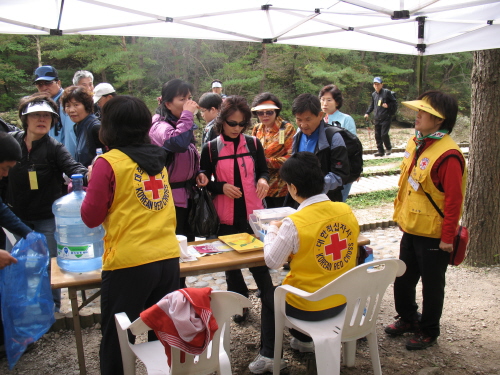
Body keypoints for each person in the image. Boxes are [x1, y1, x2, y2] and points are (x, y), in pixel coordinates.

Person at [81, 95, 181, 375]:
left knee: (117, 338)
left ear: (109, 127)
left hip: (129, 263)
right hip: (168, 259)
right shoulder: (158, 160)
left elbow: (90, 218)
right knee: (161, 334)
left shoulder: (108, 163)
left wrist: (91, 182)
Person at [248, 152, 359, 374]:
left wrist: (271, 230)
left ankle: (270, 356)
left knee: (271, 295)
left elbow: (272, 261)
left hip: (310, 306)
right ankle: (303, 341)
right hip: (341, 300)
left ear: (294, 188)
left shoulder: (293, 224)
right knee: (283, 294)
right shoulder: (345, 210)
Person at [386, 90, 466, 350]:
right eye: (418, 110)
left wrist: (447, 238)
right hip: (411, 227)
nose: (417, 115)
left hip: (433, 234)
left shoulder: (449, 155)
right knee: (403, 278)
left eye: (424, 112)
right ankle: (408, 318)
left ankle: (429, 330)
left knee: (432, 286)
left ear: (439, 120)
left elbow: (454, 200)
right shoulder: (417, 141)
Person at [5, 93, 88, 311]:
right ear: (25, 118)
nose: (42, 120)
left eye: (47, 116)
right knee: (19, 264)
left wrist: (90, 173)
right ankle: (24, 307)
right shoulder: (11, 142)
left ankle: (51, 307)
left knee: (49, 263)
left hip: (47, 218)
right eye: (36, 116)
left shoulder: (54, 147)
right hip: (15, 216)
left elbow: (74, 169)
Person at [198, 96, 272, 323]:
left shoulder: (252, 144)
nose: (237, 128)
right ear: (222, 121)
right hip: (225, 217)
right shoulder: (210, 149)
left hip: (252, 216)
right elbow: (203, 180)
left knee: (259, 264)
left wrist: (263, 181)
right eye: (232, 123)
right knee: (232, 268)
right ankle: (240, 306)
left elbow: (263, 170)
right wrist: (220, 187)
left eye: (242, 124)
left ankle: (271, 304)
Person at [149, 79, 207, 242]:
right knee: (174, 245)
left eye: (189, 97)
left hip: (187, 195)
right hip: (169, 199)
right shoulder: (159, 126)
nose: (188, 103)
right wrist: (188, 115)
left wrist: (198, 172)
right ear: (167, 104)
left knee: (188, 243)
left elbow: (186, 154)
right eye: (182, 99)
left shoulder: (180, 122)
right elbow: (178, 143)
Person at [290, 93, 350, 203]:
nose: (303, 125)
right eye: (299, 120)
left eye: (308, 120)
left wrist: (315, 187)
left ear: (320, 115)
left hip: (328, 200)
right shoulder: (298, 135)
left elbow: (340, 174)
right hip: (301, 199)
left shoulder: (333, 137)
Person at [251, 93, 296, 208]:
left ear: (276, 111)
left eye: (269, 112)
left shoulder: (286, 128)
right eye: (261, 113)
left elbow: (291, 157)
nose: (265, 115)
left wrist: (265, 162)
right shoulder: (257, 129)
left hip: (281, 186)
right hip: (261, 185)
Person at [319, 84, 357, 202]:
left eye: (329, 100)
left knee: (338, 203)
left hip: (341, 170)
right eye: (322, 99)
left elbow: (353, 147)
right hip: (322, 171)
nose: (325, 103)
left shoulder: (346, 119)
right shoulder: (317, 119)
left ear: (337, 102)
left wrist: (354, 170)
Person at [33, 65, 76, 157]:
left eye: (48, 83)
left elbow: (71, 135)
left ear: (58, 83)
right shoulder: (46, 103)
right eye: (40, 84)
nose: (44, 87)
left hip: (64, 160)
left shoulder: (66, 102)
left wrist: (69, 163)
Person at [61, 86, 105, 167]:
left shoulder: (96, 128)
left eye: (76, 105)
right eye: (67, 106)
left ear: (86, 105)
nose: (71, 110)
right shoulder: (78, 126)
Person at [364, 77, 396, 156]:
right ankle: (380, 151)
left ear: (382, 84)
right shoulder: (374, 94)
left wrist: (388, 105)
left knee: (384, 134)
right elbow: (372, 105)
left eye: (378, 84)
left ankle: (388, 148)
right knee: (377, 135)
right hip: (377, 117)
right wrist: (367, 113)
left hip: (386, 117)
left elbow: (394, 102)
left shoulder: (387, 92)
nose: (376, 86)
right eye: (375, 84)